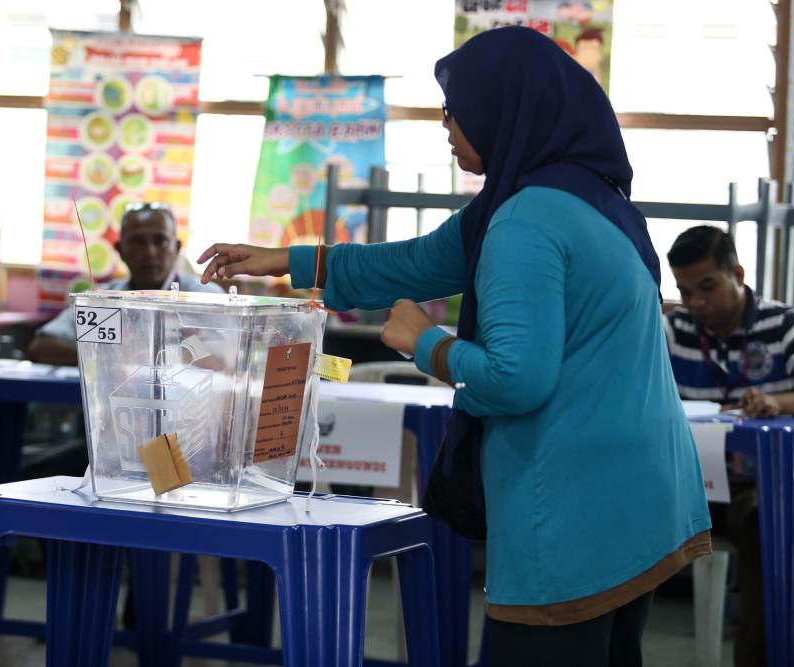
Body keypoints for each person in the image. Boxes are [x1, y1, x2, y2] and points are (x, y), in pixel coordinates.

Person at [197, 26, 711, 666]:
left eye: (454, 107)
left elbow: (516, 380)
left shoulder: (525, 221)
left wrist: (426, 343)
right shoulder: (585, 197)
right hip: (641, 494)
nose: (445, 122)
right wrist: (285, 260)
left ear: (501, 110)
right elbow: (415, 260)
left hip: (572, 504)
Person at [664, 224, 794, 667]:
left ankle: (756, 659)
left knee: (766, 522)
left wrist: (778, 402)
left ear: (737, 273)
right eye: (685, 290)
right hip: (685, 482)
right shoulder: (674, 329)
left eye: (708, 287)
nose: (696, 302)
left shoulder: (783, 324)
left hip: (755, 487)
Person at [28, 203, 223, 366]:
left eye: (160, 241)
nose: (150, 252)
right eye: (138, 242)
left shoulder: (205, 299)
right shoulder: (104, 301)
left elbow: (227, 356)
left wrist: (160, 357)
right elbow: (42, 347)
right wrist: (111, 360)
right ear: (120, 250)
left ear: (177, 247)